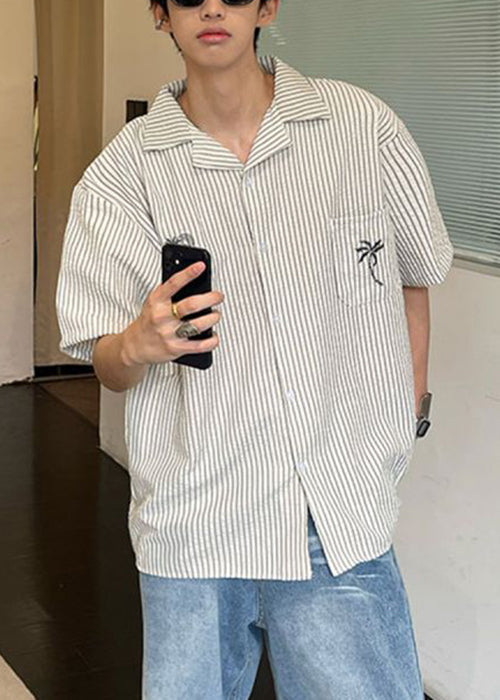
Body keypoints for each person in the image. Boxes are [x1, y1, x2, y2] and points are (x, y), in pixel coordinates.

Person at [55, 0, 454, 697]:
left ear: (267, 5)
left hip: (334, 511)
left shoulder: (360, 127)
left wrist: (406, 413)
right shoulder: (124, 173)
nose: (213, 7)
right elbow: (107, 366)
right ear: (161, 14)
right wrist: (138, 343)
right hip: (194, 522)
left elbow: (412, 276)